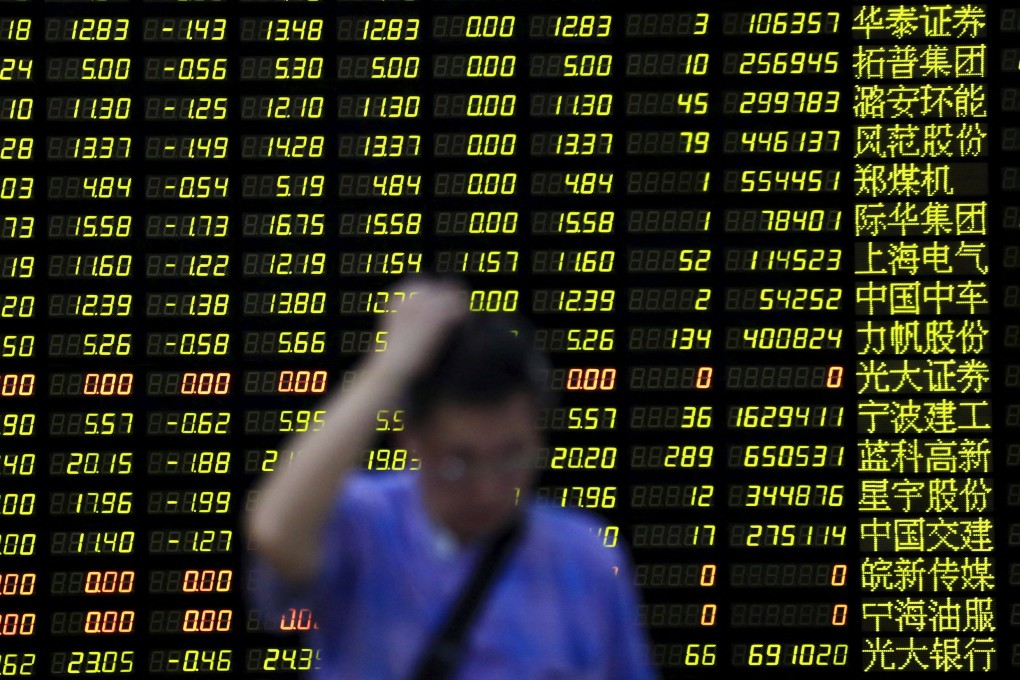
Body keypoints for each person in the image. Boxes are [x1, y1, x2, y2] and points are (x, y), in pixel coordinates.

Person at [244, 276, 659, 679]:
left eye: (511, 457)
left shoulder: (588, 557)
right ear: (411, 441)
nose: (488, 489)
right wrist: (389, 363)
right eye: (458, 463)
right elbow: (274, 528)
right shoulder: (363, 525)